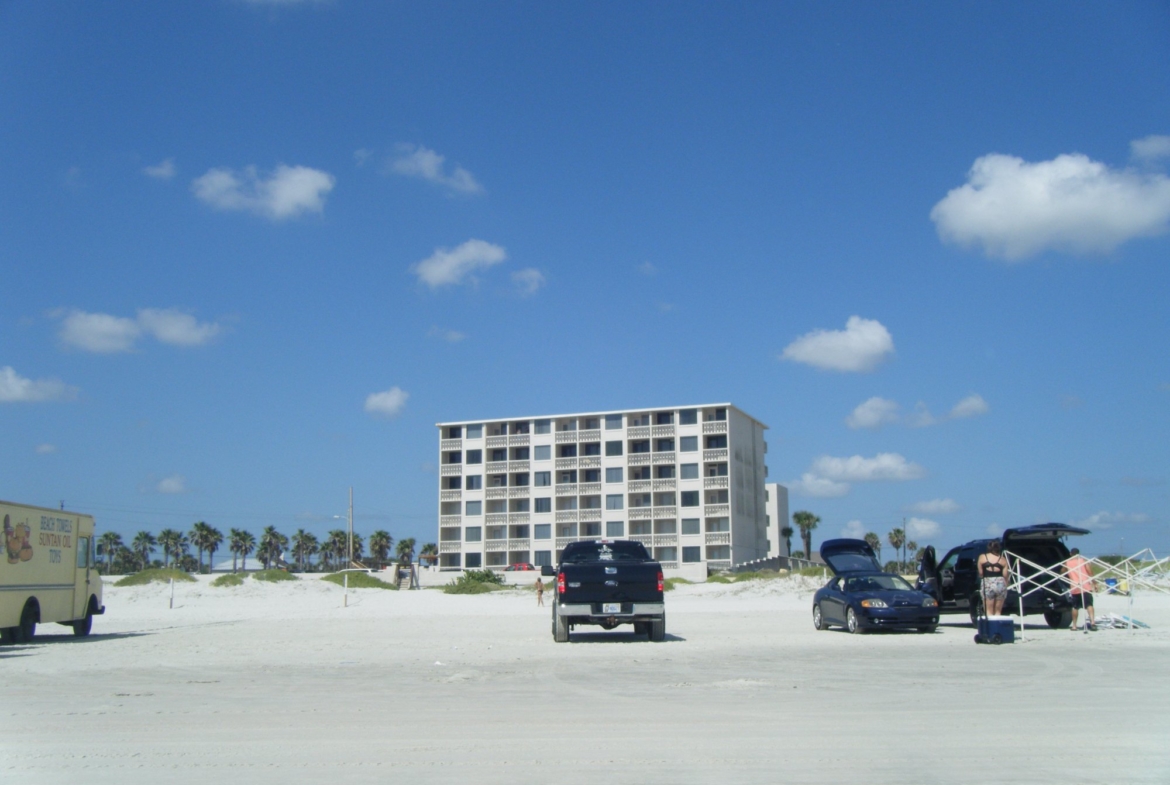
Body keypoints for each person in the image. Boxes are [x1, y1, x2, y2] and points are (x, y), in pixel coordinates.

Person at [1062, 547, 1096, 631]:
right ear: (1078, 553)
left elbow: (1062, 571)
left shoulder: (1067, 562)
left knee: (1075, 607)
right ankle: (1092, 622)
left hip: (1074, 586)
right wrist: (1094, 582)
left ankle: (1074, 626)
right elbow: (1089, 572)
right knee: (1089, 605)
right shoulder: (1083, 560)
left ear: (1070, 554)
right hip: (1085, 585)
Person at [976, 540, 1010, 617]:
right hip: (1000, 583)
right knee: (998, 611)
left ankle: (990, 628)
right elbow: (1005, 575)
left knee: (988, 611)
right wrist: (1007, 584)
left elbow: (981, 573)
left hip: (988, 582)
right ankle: (997, 628)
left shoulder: (982, 557)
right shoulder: (1002, 559)